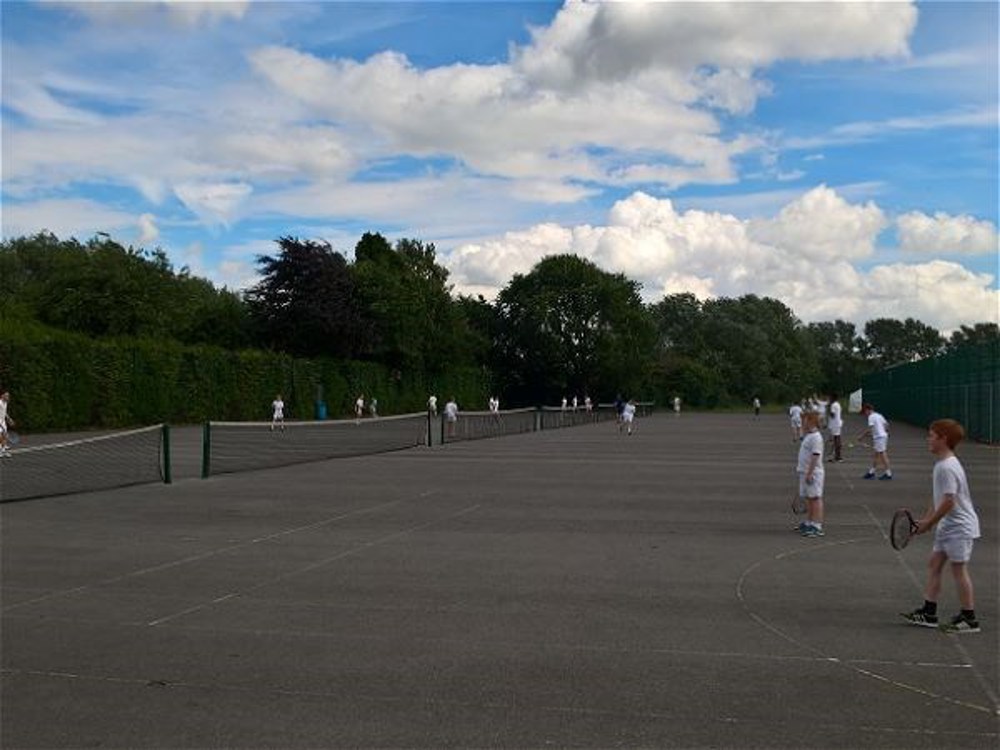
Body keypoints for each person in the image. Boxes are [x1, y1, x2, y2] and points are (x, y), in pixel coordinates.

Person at [901, 419, 981, 633]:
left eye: (931, 436)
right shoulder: (942, 464)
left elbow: (949, 501)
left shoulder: (947, 467)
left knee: (959, 570)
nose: (928, 439)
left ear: (943, 439)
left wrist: (929, 523)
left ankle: (969, 618)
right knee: (934, 564)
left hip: (959, 527)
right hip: (948, 526)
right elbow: (938, 498)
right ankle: (929, 612)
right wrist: (927, 520)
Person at [796, 411, 825, 537]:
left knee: (815, 498)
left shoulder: (816, 437)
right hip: (804, 471)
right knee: (808, 498)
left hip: (813, 473)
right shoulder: (809, 435)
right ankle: (809, 522)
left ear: (811, 421)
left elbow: (816, 456)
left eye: (805, 420)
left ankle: (817, 525)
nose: (803, 423)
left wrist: (810, 473)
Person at [858, 403, 892, 480]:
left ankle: (888, 474)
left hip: (879, 437)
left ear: (867, 410)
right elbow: (887, 425)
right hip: (882, 437)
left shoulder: (871, 417)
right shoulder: (879, 415)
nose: (865, 414)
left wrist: (861, 437)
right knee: (877, 455)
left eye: (865, 411)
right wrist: (886, 432)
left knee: (883, 455)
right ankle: (871, 472)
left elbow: (870, 429)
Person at [826, 393, 843, 462]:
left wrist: (828, 410)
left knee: (835, 440)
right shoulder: (838, 404)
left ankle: (836, 456)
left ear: (832, 398)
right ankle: (837, 456)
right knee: (837, 439)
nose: (829, 399)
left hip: (834, 424)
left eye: (830, 398)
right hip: (838, 423)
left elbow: (832, 415)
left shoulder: (833, 405)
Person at [0, 390, 13, 457]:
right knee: (1, 436)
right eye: (6, 395)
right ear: (2, 396)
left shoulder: (5, 403)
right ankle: (1, 450)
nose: (8, 397)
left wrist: (9, 418)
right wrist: (1, 426)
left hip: (3, 421)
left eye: (8, 395)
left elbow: (4, 412)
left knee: (4, 436)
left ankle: (3, 450)